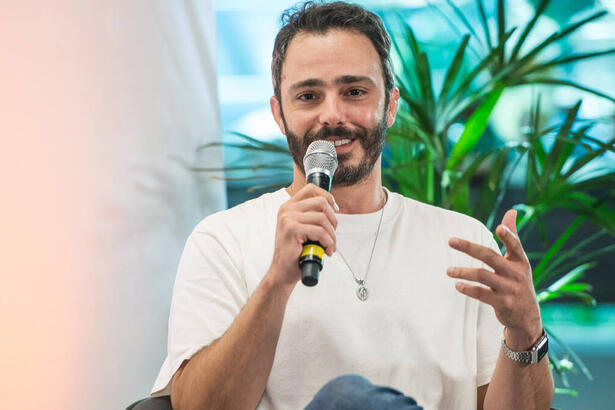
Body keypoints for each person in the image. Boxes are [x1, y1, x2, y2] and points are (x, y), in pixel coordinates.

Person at [151, 2, 554, 409]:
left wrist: (525, 331)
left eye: (354, 92)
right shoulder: (222, 241)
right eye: (309, 96)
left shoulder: (463, 241)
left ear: (391, 106)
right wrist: (275, 282)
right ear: (278, 113)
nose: (332, 114)